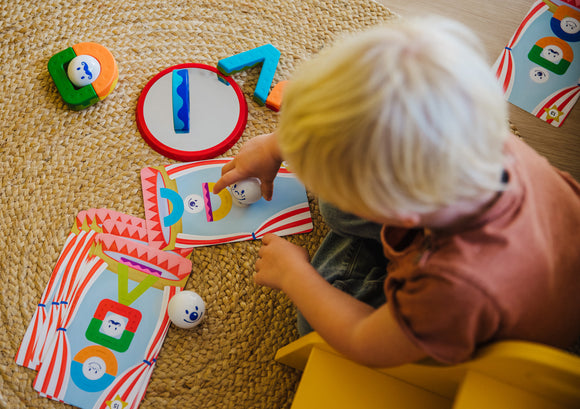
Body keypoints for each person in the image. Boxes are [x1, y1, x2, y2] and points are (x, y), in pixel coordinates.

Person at [212, 17, 580, 367]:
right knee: (338, 206)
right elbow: (373, 121)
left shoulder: (453, 288)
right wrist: (279, 145)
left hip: (486, 322)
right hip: (524, 251)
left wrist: (295, 276)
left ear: (403, 215)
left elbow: (363, 340)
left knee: (315, 323)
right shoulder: (471, 132)